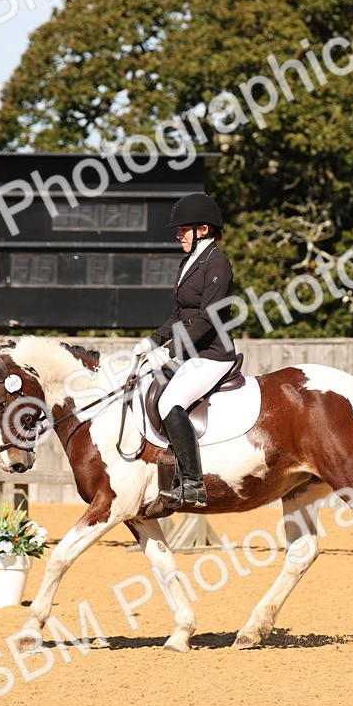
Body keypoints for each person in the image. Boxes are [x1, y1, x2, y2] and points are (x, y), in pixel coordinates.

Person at [133, 193, 237, 510]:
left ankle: (193, 484)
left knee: (169, 400)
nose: (178, 234)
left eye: (183, 229)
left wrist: (173, 351)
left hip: (213, 354)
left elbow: (209, 317)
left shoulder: (217, 263)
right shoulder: (189, 262)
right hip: (192, 351)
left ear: (203, 229)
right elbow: (179, 314)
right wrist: (152, 341)